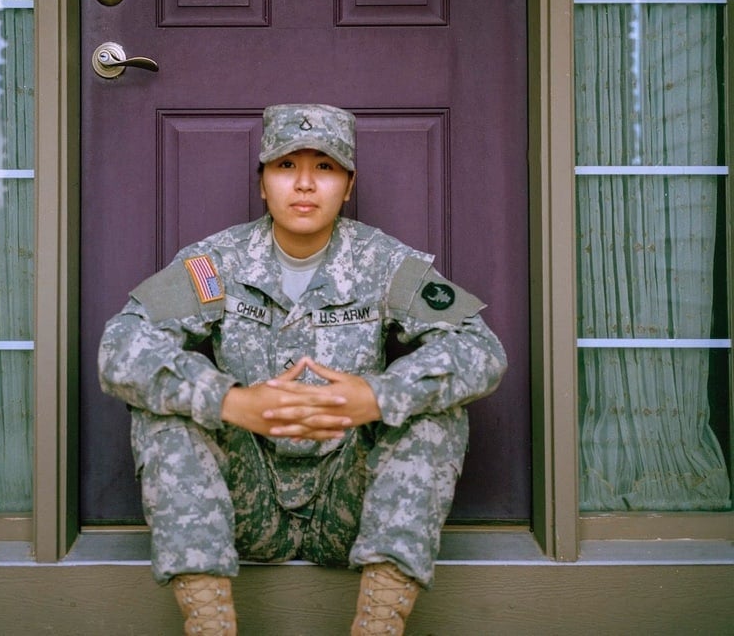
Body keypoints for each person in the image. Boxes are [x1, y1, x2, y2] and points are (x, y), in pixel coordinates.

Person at [99, 104, 507, 635]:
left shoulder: (385, 263)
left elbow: (481, 348)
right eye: (287, 167)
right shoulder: (217, 262)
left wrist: (377, 396)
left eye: (326, 168)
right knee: (164, 415)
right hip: (245, 501)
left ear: (349, 183)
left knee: (435, 416)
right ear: (262, 183)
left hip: (353, 503)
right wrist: (232, 402)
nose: (306, 184)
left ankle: (378, 625)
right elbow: (121, 345)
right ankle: (209, 626)